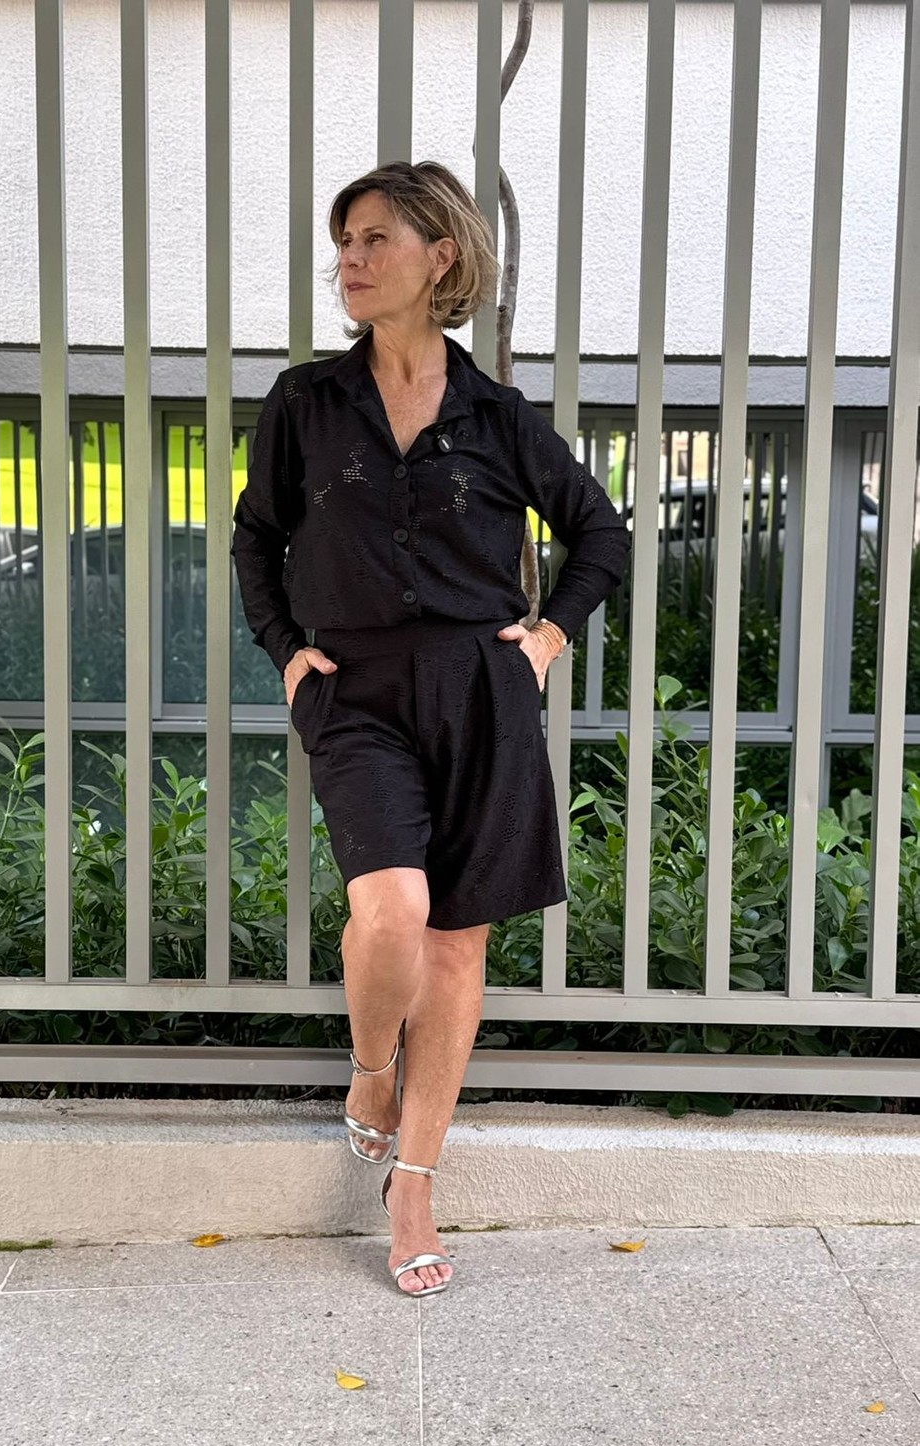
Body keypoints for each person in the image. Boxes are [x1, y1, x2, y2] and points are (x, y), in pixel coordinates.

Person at [231, 160, 631, 1297]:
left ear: (438, 255)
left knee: (456, 943)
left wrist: (545, 636)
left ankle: (412, 1183)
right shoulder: (307, 402)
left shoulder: (496, 417)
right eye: (343, 243)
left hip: (479, 690)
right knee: (392, 909)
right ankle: (371, 1069)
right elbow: (257, 536)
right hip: (353, 689)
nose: (349, 261)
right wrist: (287, 650)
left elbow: (600, 533)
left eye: (373, 239)